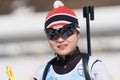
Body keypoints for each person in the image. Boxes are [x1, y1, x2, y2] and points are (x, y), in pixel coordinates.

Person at [33, 0, 110, 80]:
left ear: (78, 33)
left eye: (66, 32)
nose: (60, 39)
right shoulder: (42, 73)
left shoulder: (94, 67)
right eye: (52, 34)